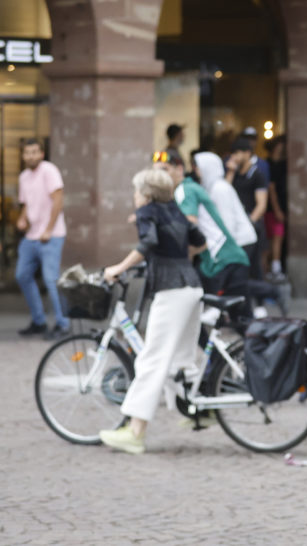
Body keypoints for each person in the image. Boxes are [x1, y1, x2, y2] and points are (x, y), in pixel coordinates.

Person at [98, 168, 205, 454]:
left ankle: (135, 433)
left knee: (152, 359)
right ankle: (203, 409)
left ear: (145, 195)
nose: (134, 197)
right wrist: (177, 259)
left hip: (171, 291)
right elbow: (199, 241)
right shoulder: (174, 210)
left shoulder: (147, 212)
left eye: (135, 191)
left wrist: (117, 269)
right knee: (181, 358)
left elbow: (148, 243)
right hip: (192, 286)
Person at [175, 152, 252, 322]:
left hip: (231, 248)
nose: (196, 171)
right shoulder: (206, 188)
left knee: (242, 315)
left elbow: (226, 221)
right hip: (223, 251)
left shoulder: (218, 188)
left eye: (199, 167)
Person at [15, 138, 69, 340]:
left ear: (41, 153)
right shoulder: (23, 177)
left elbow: (58, 200)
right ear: (23, 155)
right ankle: (39, 321)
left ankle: (63, 324)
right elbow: (27, 204)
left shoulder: (49, 170)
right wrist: (22, 219)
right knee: (22, 275)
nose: (31, 156)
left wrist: (48, 229)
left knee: (51, 279)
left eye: (34, 152)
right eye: (27, 152)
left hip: (51, 235)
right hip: (31, 237)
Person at [226, 138, 269, 281]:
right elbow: (224, 192)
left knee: (255, 265)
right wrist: (231, 172)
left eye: (237, 153)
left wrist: (249, 223)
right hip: (236, 225)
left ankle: (264, 296)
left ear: (247, 153)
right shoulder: (235, 173)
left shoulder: (257, 175)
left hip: (251, 225)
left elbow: (261, 204)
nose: (234, 157)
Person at [265, 135, 288, 280]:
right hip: (271, 209)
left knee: (278, 237)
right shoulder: (269, 164)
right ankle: (274, 268)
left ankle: (274, 267)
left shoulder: (285, 163)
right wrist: (277, 209)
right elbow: (271, 188)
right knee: (274, 237)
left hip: (282, 205)